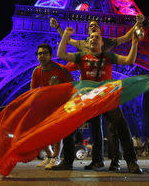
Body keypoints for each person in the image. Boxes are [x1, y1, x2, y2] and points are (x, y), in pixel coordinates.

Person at [56, 27, 143, 173]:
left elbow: (129, 60)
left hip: (106, 97)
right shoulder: (81, 56)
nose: (93, 39)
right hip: (87, 97)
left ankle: (131, 162)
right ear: (88, 41)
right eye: (91, 37)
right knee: (68, 124)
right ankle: (67, 161)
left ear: (102, 43)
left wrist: (134, 42)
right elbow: (61, 54)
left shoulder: (109, 57)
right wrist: (65, 35)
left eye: (97, 37)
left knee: (121, 125)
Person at [30, 43, 73, 170]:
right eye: (39, 53)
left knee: (57, 132)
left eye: (45, 53)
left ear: (51, 55)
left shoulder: (61, 69)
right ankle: (49, 156)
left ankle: (56, 157)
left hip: (59, 106)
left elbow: (72, 87)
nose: (42, 56)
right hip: (44, 106)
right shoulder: (37, 71)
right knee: (40, 131)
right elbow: (32, 90)